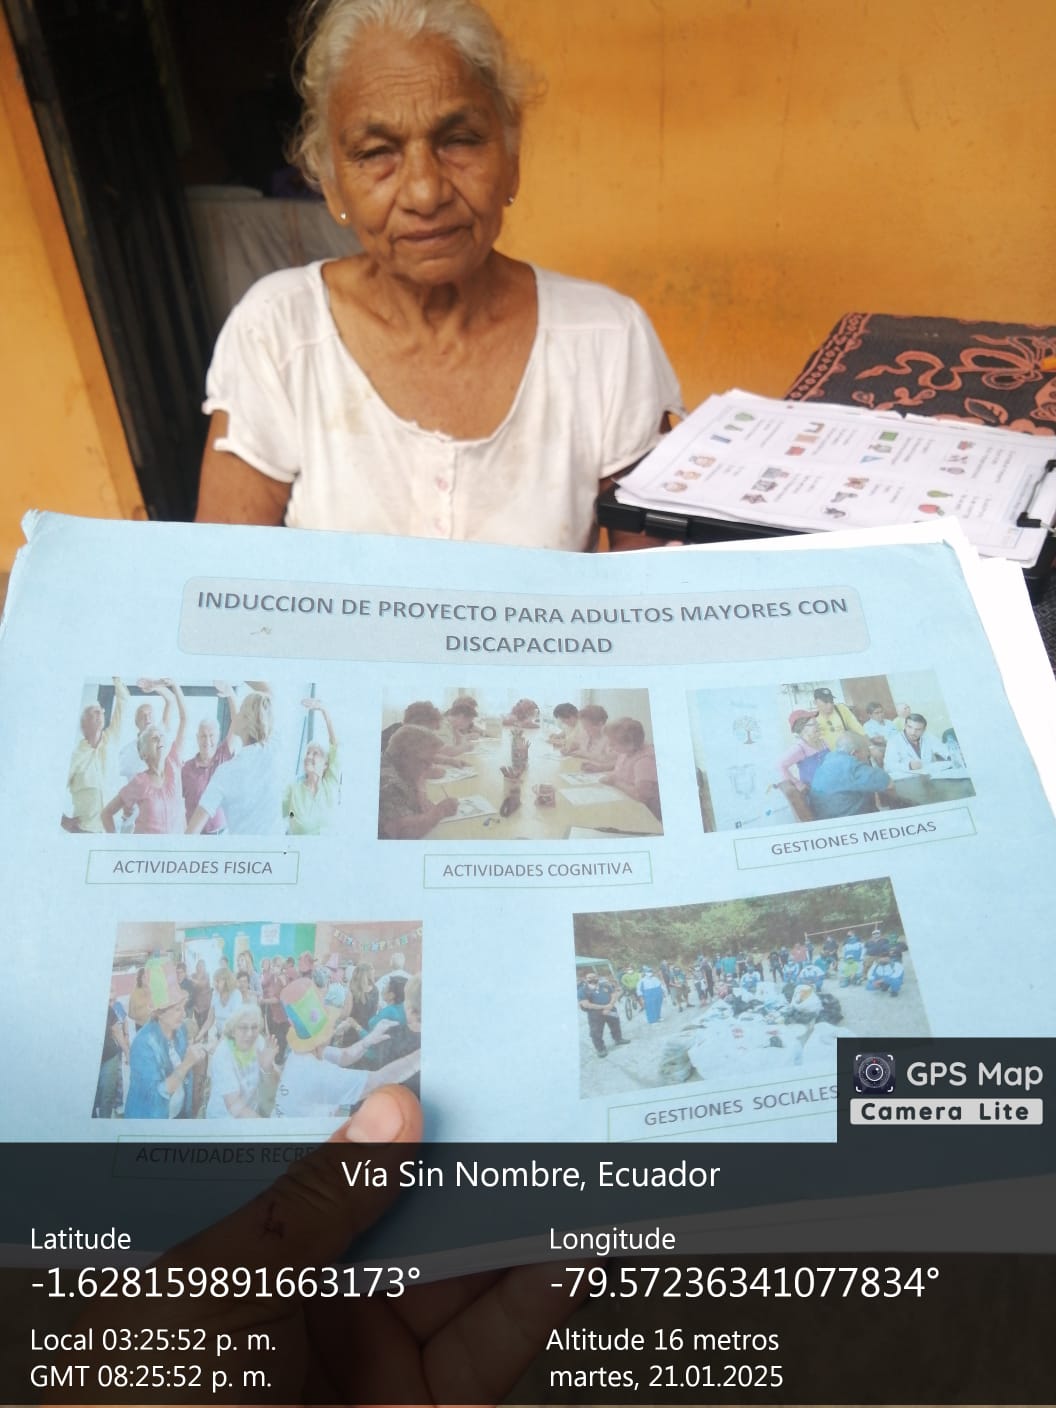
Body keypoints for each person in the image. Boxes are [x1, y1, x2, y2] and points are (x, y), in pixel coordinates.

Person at [194, 0, 681, 550]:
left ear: (512, 157)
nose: (426, 193)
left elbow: (652, 590)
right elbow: (220, 582)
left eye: (459, 141)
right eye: (377, 152)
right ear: (332, 186)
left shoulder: (606, 341)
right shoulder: (279, 334)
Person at [273, 978, 421, 1118]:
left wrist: (368, 1040)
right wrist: (421, 1056)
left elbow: (344, 1055)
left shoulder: (301, 1054)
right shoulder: (318, 1073)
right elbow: (377, 1081)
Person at [187, 690, 284, 835]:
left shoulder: (225, 772)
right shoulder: (275, 749)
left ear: (246, 721)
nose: (236, 715)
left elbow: (191, 831)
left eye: (241, 710)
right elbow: (268, 692)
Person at [101, 679, 188, 835]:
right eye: (142, 715)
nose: (147, 718)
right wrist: (128, 805)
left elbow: (178, 710)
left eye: (150, 714)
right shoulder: (129, 756)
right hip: (137, 817)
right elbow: (109, 809)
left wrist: (159, 685)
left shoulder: (171, 758)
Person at [124, 963, 208, 1119]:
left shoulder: (180, 1031)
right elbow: (155, 1097)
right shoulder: (142, 1045)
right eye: (177, 1009)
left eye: (183, 1007)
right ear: (159, 1013)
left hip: (178, 1115)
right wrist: (187, 1063)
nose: (184, 1014)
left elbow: (186, 1079)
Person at [64, 677, 128, 832]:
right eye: (95, 711)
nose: (101, 712)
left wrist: (116, 677)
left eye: (102, 711)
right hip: (85, 832)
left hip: (112, 830)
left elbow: (123, 700)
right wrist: (63, 821)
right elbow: (49, 791)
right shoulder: (75, 756)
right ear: (84, 724)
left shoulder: (111, 739)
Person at [378, 724, 458, 838]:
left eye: (431, 761)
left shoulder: (401, 766)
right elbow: (403, 833)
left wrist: (419, 789)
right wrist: (440, 812)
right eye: (425, 762)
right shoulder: (389, 783)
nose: (430, 766)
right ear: (405, 756)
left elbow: (418, 806)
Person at [205, 1004, 280, 1119]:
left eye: (254, 1027)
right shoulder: (223, 1054)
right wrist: (264, 1125)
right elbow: (234, 1106)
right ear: (233, 1031)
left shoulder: (258, 1041)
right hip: (223, 1119)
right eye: (243, 1028)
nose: (250, 1033)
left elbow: (274, 1087)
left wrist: (267, 1068)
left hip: (250, 1114)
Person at [181, 682, 238, 832]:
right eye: (203, 736)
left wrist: (230, 694)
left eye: (211, 736)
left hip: (221, 833)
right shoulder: (186, 769)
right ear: (197, 738)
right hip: (195, 836)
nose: (207, 741)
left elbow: (236, 721)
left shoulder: (224, 756)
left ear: (218, 737)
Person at [284, 698, 342, 834]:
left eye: (315, 753)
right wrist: (292, 818)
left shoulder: (330, 784)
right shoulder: (294, 789)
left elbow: (335, 745)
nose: (309, 756)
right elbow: (288, 815)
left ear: (326, 764)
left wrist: (324, 711)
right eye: (308, 753)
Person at [808, 733, 892, 819]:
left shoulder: (829, 759)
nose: (868, 758)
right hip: (848, 821)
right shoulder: (851, 765)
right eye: (868, 755)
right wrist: (878, 762)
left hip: (828, 819)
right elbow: (887, 783)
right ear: (855, 753)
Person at [598, 717, 661, 820]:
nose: (609, 746)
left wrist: (615, 783)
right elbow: (620, 771)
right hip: (625, 798)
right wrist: (609, 775)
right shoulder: (627, 752)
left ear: (630, 745)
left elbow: (641, 796)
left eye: (613, 744)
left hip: (646, 812)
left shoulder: (645, 760)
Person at [883, 712, 953, 777]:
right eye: (910, 727)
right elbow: (888, 766)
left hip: (928, 775)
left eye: (918, 729)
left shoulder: (928, 736)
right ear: (905, 726)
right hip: (908, 778)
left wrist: (951, 756)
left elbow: (943, 750)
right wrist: (909, 766)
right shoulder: (894, 741)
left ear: (924, 730)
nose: (913, 732)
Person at [577, 970, 629, 1056]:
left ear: (598, 977)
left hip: (611, 1009)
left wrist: (610, 1005)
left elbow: (614, 995)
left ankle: (618, 1039)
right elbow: (586, 1004)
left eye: (594, 977)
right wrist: (605, 1007)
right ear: (585, 979)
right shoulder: (582, 990)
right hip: (595, 1014)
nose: (592, 979)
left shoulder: (605, 985)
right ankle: (600, 1049)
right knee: (596, 1032)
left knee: (615, 1026)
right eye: (589, 977)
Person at [776, 709, 827, 791]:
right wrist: (797, 784)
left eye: (817, 723)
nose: (818, 726)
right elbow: (780, 765)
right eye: (814, 724)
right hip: (816, 793)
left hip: (830, 787)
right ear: (802, 728)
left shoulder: (822, 741)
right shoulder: (800, 748)